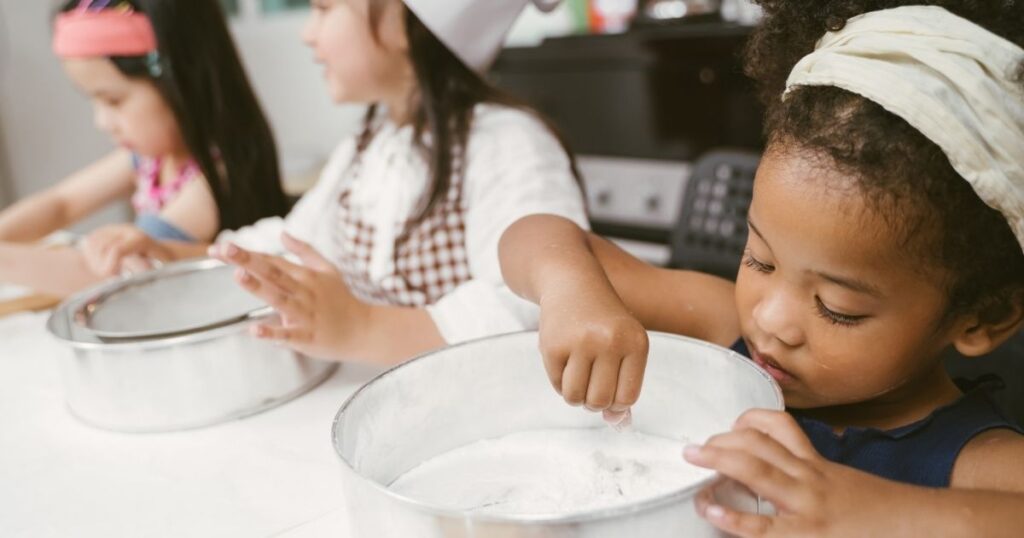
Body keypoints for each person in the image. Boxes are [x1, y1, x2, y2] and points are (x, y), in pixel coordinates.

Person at [499, 2, 1024, 535]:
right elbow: (536, 234)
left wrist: (885, 515)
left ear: (984, 317)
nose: (770, 320)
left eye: (837, 308)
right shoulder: (724, 326)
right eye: (759, 259)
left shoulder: (980, 464)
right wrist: (569, 289)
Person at [113, 0, 588, 364]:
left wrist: (363, 327)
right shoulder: (369, 142)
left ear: (402, 21)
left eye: (323, 8)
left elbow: (531, 307)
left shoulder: (507, 142)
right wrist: (182, 257)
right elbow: (294, 243)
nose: (306, 33)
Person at [0, 0, 288, 295]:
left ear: (182, 84)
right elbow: (62, 204)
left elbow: (119, 274)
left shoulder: (215, 179)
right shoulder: (149, 160)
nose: (102, 122)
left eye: (114, 100)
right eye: (93, 100)